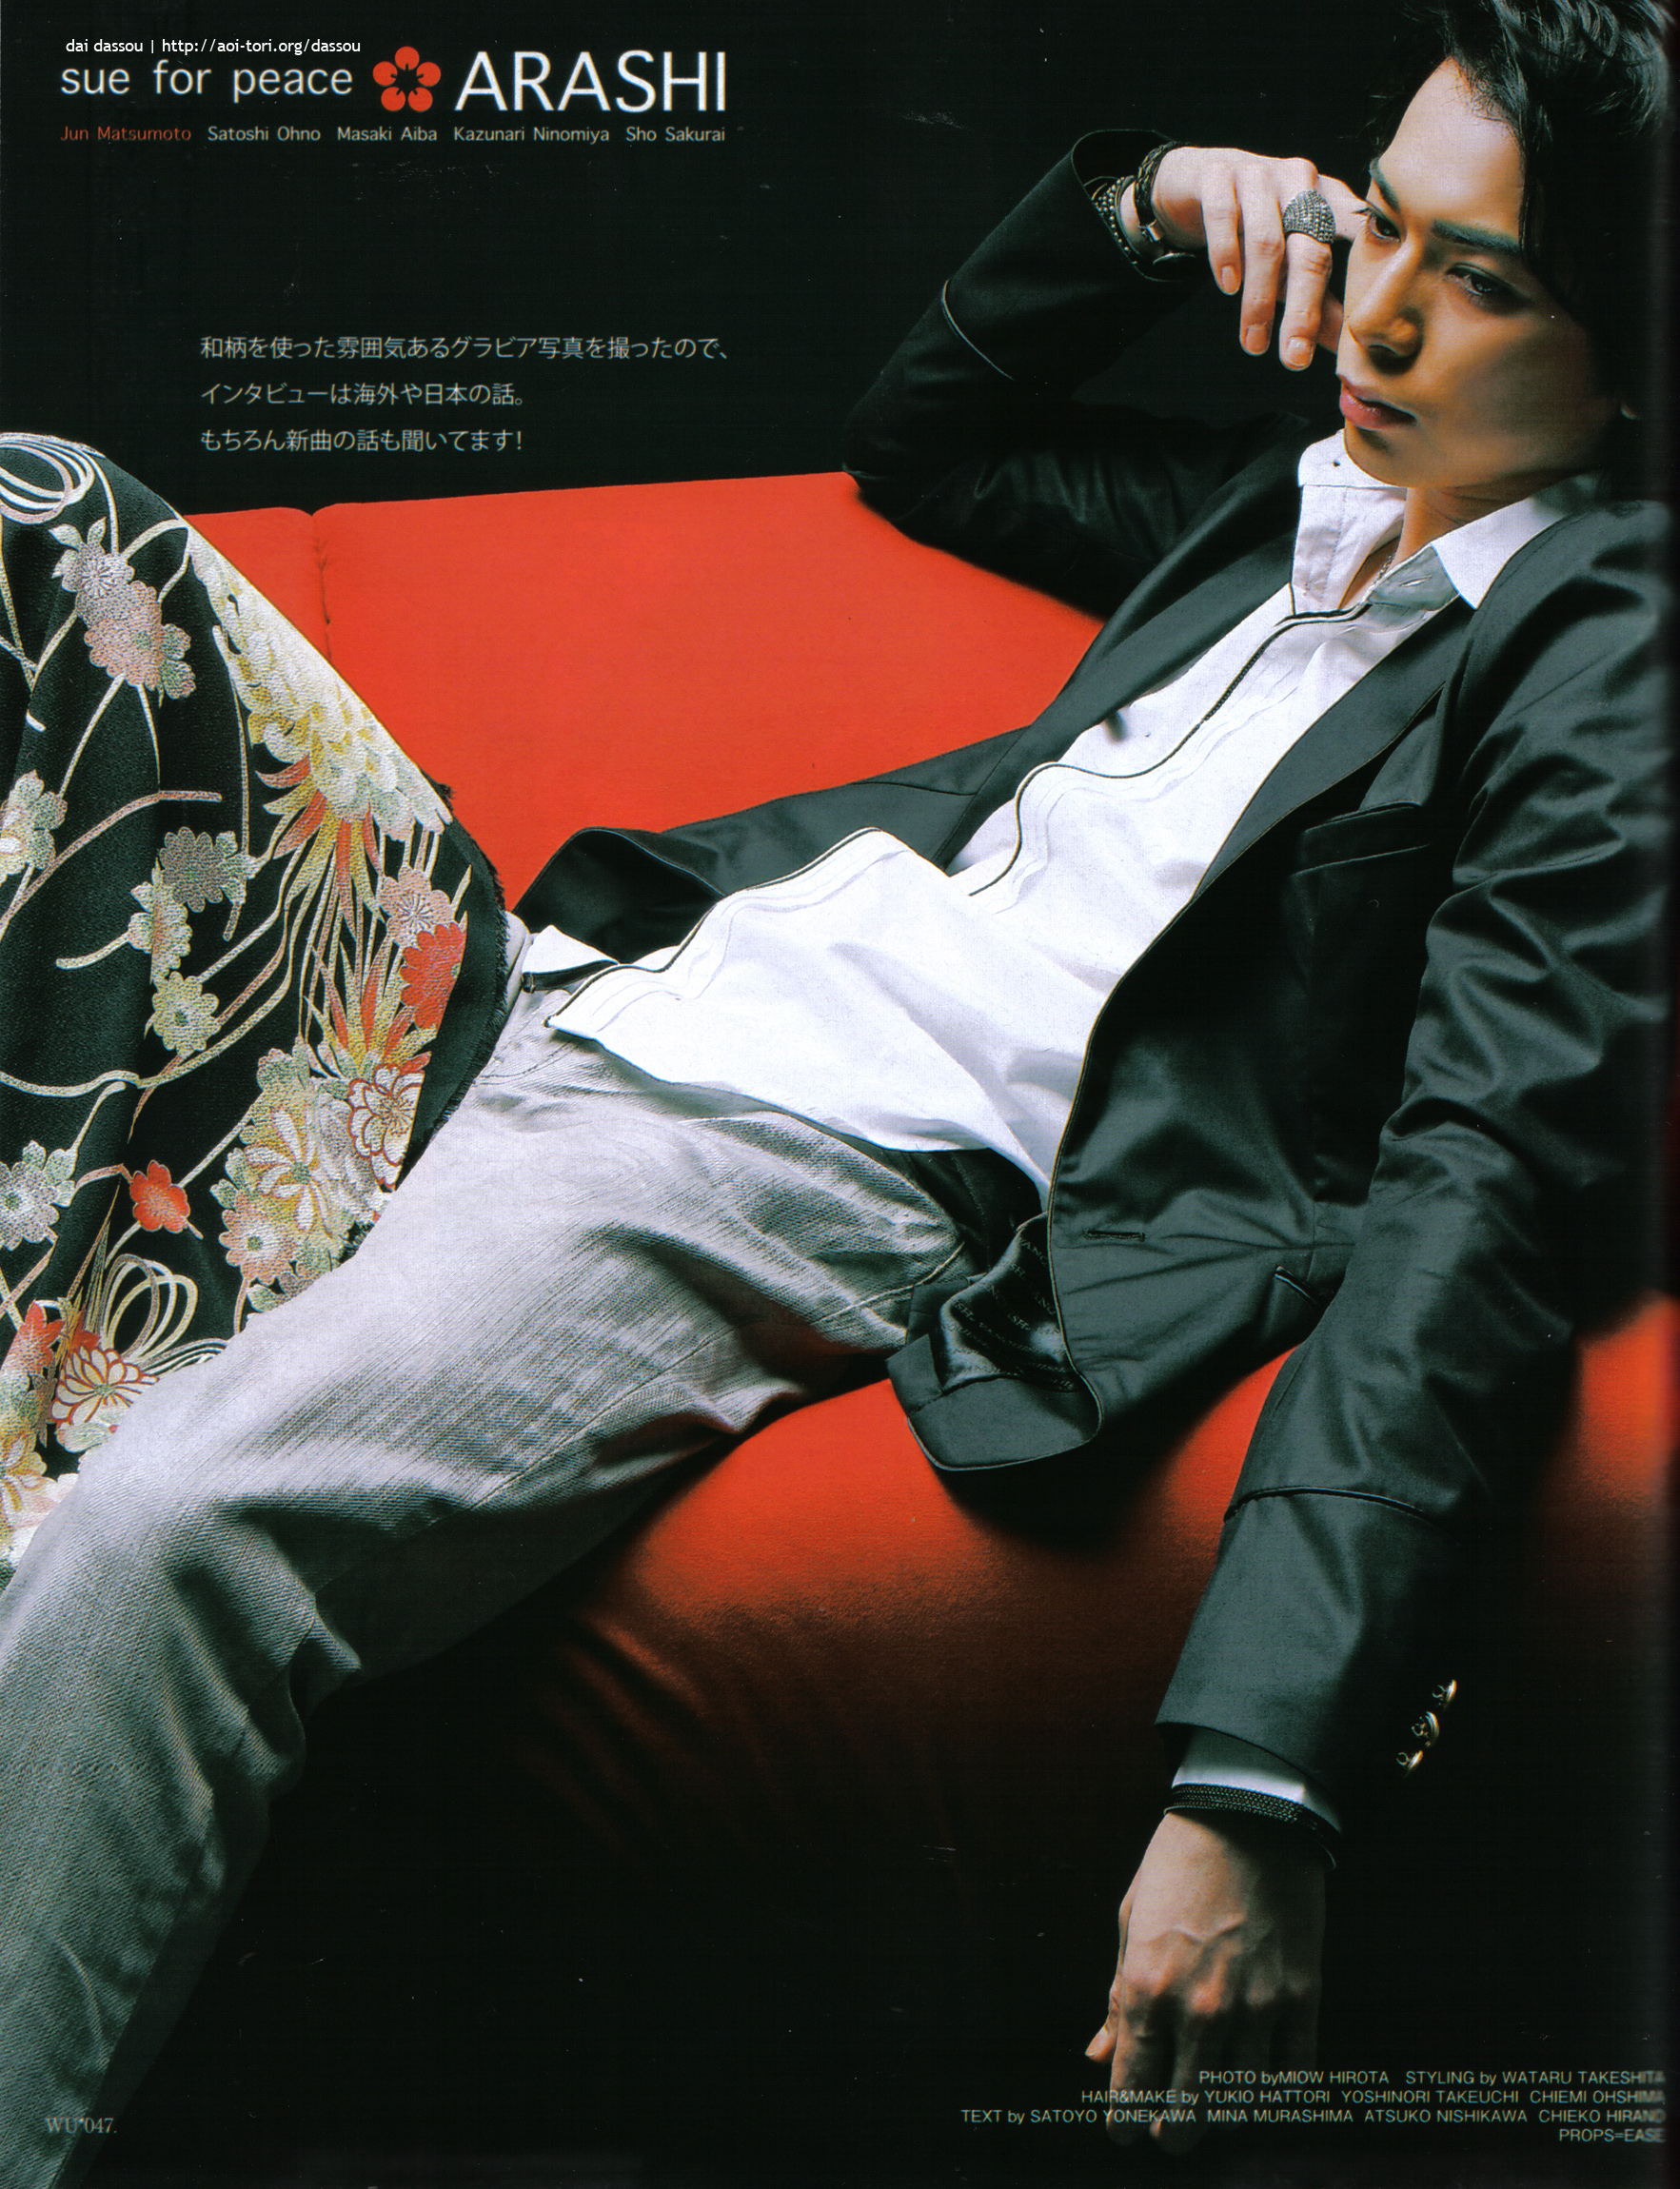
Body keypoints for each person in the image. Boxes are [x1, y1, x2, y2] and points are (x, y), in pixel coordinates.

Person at [0, 0, 1667, 2178]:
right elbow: (926, 438)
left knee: (169, 1536)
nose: (1379, 314)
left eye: (1485, 280)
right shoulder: (1309, 508)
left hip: (768, 1143)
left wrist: (1264, 1776)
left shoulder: (1597, 647)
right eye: (1380, 229)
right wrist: (1151, 201)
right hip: (556, 975)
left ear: (1629, 367)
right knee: (56, 523)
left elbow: (1480, 1188)